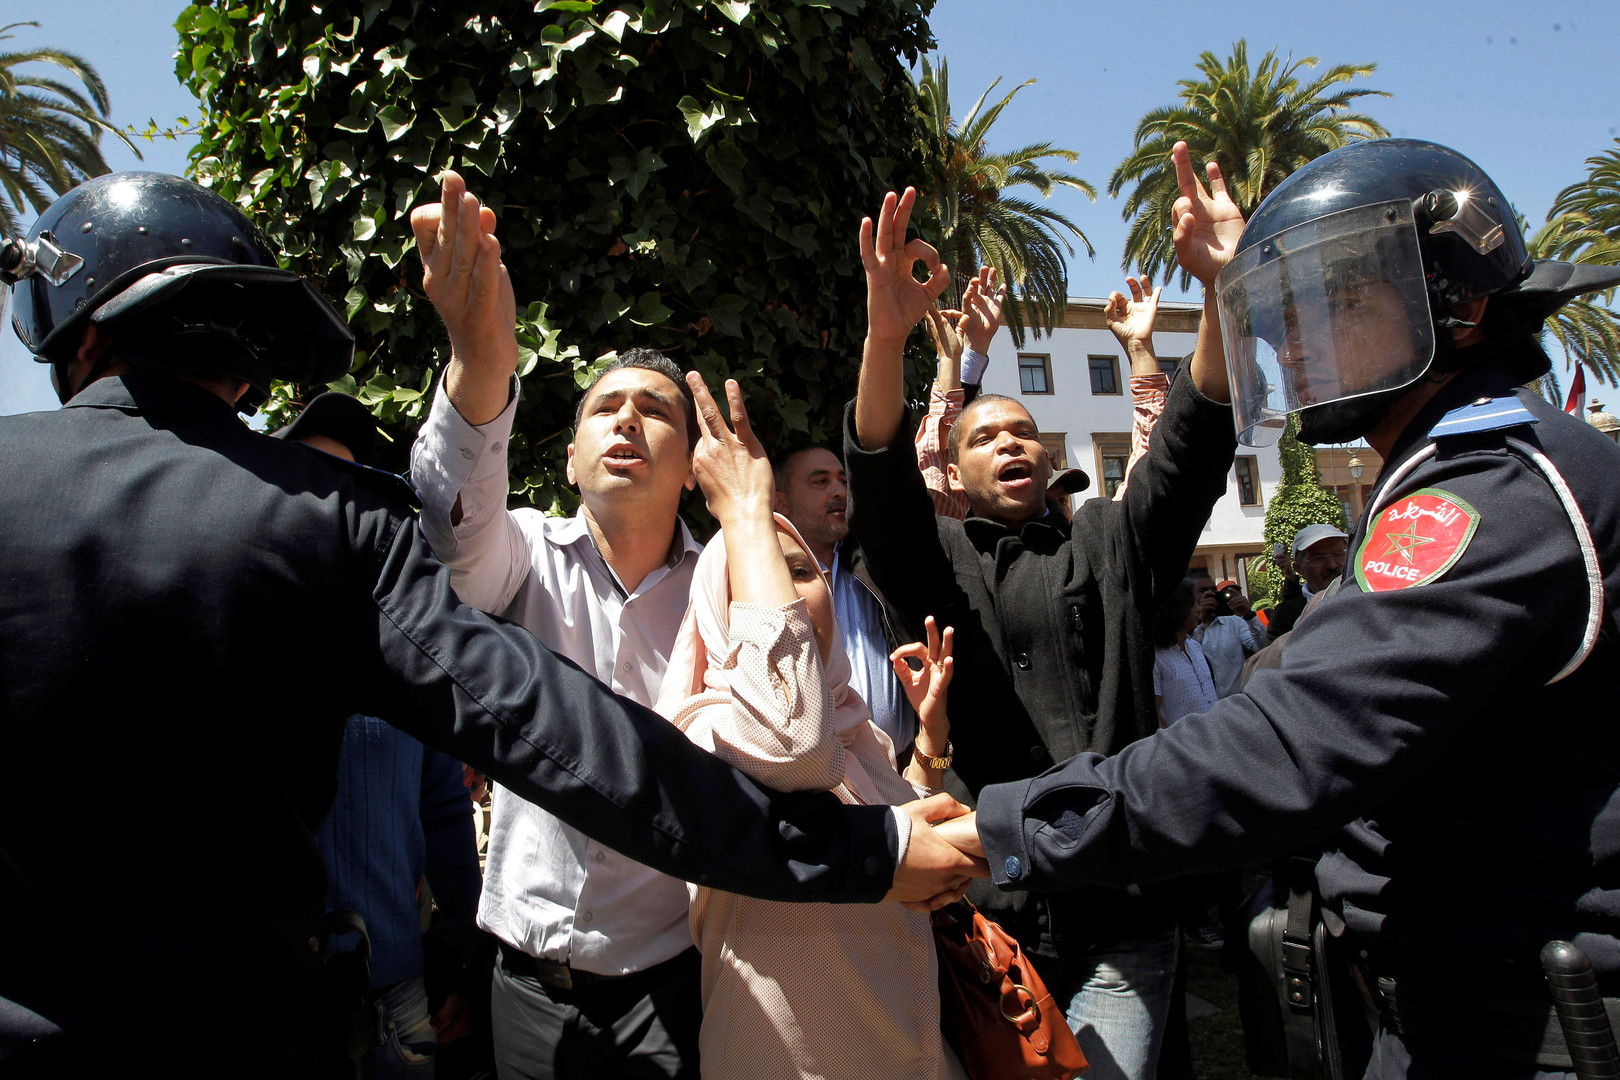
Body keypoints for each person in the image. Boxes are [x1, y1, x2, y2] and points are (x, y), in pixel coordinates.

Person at [0, 171, 977, 1077]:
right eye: (605, 409)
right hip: (303, 1023)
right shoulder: (341, 520)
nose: (628, 425)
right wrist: (478, 367)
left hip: (668, 984)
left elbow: (763, 740)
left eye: (655, 412)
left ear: (74, 336)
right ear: (248, 365)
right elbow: (560, 727)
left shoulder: (741, 575)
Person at [935, 137, 1620, 1080]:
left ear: (1453, 305)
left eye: (1333, 300)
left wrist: (994, 829)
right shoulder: (1444, 474)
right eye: (1283, 310)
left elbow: (1290, 743)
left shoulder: (1487, 493)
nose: (1289, 340)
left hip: (1533, 1029)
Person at [845, 170, 1238, 1080]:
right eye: (985, 436)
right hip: (989, 915)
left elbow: (1186, 447)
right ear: (953, 464)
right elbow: (878, 476)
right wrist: (886, 336)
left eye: (1025, 432)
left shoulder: (1110, 541)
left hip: (1122, 907)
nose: (1012, 444)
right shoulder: (933, 560)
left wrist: (1220, 292)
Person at [659, 373, 964, 1080]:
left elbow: (904, 834)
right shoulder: (705, 734)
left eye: (801, 571)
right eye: (762, 574)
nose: (789, 597)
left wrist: (930, 737)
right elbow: (791, 749)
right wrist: (743, 509)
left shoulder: (860, 734)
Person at [283, 391, 484, 1078]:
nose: (328, 501)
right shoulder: (226, 629)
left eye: (344, 484)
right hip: (259, 1003)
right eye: (304, 478)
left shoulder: (405, 649)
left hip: (396, 1003)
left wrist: (461, 954)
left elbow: (445, 811)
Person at [772, 443, 917, 756]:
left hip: (908, 771)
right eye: (821, 481)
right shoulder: (763, 580)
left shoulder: (878, 566)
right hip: (818, 779)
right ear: (779, 501)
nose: (838, 491)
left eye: (843, 481)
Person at [1265, 523, 1350, 640]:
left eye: (1338, 554)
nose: (1332, 565)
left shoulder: (1368, 595)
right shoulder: (1286, 615)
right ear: (1299, 568)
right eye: (1318, 558)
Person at [1152, 580, 1218, 729]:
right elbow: (1155, 712)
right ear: (1175, 609)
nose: (1198, 609)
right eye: (1191, 605)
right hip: (1184, 747)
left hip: (1214, 738)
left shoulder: (1195, 646)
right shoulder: (1156, 658)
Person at [1189, 574, 1266, 697]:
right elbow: (1188, 653)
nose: (1210, 594)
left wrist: (1249, 616)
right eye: (1203, 591)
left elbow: (1262, 647)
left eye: (1213, 590)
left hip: (1236, 703)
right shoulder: (1185, 628)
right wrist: (1202, 622)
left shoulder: (1235, 623)